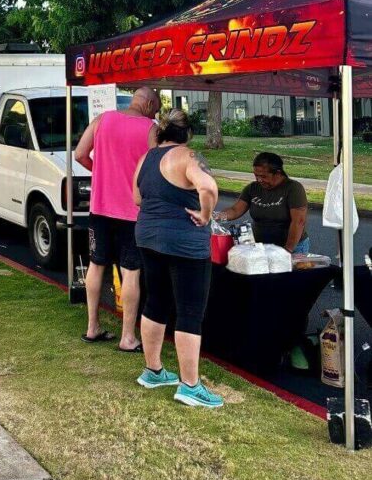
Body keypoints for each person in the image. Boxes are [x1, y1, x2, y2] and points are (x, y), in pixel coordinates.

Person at [132, 108, 223, 408]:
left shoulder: (147, 158)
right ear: (187, 134)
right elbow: (208, 187)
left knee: (155, 301)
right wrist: (205, 214)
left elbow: (137, 197)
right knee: (189, 311)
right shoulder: (188, 157)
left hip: (148, 237)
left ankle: (153, 370)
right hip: (185, 243)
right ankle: (190, 385)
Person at [74, 87, 160, 351]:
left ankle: (92, 327)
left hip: (100, 207)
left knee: (96, 265)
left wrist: (99, 170)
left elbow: (80, 154)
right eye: (156, 109)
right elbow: (155, 168)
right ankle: (127, 337)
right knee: (130, 271)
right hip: (133, 212)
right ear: (149, 105)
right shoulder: (150, 128)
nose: (156, 114)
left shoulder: (102, 120)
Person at [215, 152, 309, 253]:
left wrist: (288, 249)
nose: (259, 180)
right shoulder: (252, 188)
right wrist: (217, 216)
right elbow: (235, 210)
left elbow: (299, 222)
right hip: (261, 247)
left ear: (277, 173)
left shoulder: (293, 188)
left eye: (263, 176)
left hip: (290, 246)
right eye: (256, 176)